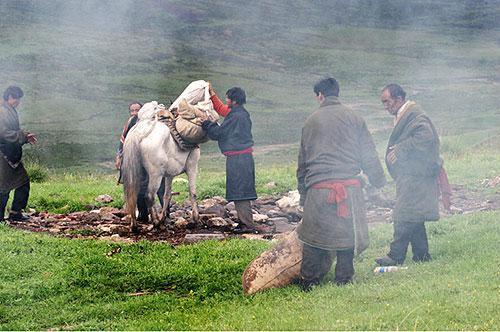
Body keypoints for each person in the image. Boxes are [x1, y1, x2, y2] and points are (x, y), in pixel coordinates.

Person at [296, 77, 386, 291]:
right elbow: (369, 154)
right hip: (349, 188)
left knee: (313, 238)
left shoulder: (310, 120)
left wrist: (303, 193)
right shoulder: (354, 117)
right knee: (347, 235)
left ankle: (309, 282)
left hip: (318, 189)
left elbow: (303, 163)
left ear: (320, 95)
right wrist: (378, 180)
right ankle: (344, 279)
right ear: (337, 93)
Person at [375, 83, 447, 266]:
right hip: (413, 174)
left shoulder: (414, 114)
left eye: (387, 102)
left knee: (403, 213)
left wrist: (401, 149)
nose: (385, 106)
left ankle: (396, 256)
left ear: (399, 99)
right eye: (383, 102)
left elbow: (426, 138)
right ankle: (422, 255)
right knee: (414, 215)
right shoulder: (406, 114)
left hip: (417, 175)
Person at [201, 84, 266, 233]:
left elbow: (219, 133)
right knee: (241, 190)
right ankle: (245, 222)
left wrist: (206, 124)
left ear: (234, 100)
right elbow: (222, 111)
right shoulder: (240, 113)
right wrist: (212, 95)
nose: (226, 100)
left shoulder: (236, 116)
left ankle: (247, 225)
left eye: (228, 98)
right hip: (243, 159)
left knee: (240, 191)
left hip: (239, 160)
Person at [116, 101, 165, 222]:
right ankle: (143, 214)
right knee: (140, 186)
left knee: (160, 184)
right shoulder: (132, 122)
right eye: (132, 111)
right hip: (136, 159)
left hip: (153, 158)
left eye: (137, 110)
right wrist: (119, 155)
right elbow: (124, 139)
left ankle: (165, 211)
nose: (134, 113)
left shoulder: (154, 122)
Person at [0, 86, 37, 222]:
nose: (17, 102)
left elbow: (12, 131)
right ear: (9, 97)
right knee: (4, 187)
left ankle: (16, 212)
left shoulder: (10, 110)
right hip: (3, 155)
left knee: (22, 181)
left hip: (10, 154)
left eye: (18, 99)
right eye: (16, 98)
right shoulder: (2, 111)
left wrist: (25, 137)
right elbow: (4, 134)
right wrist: (23, 136)